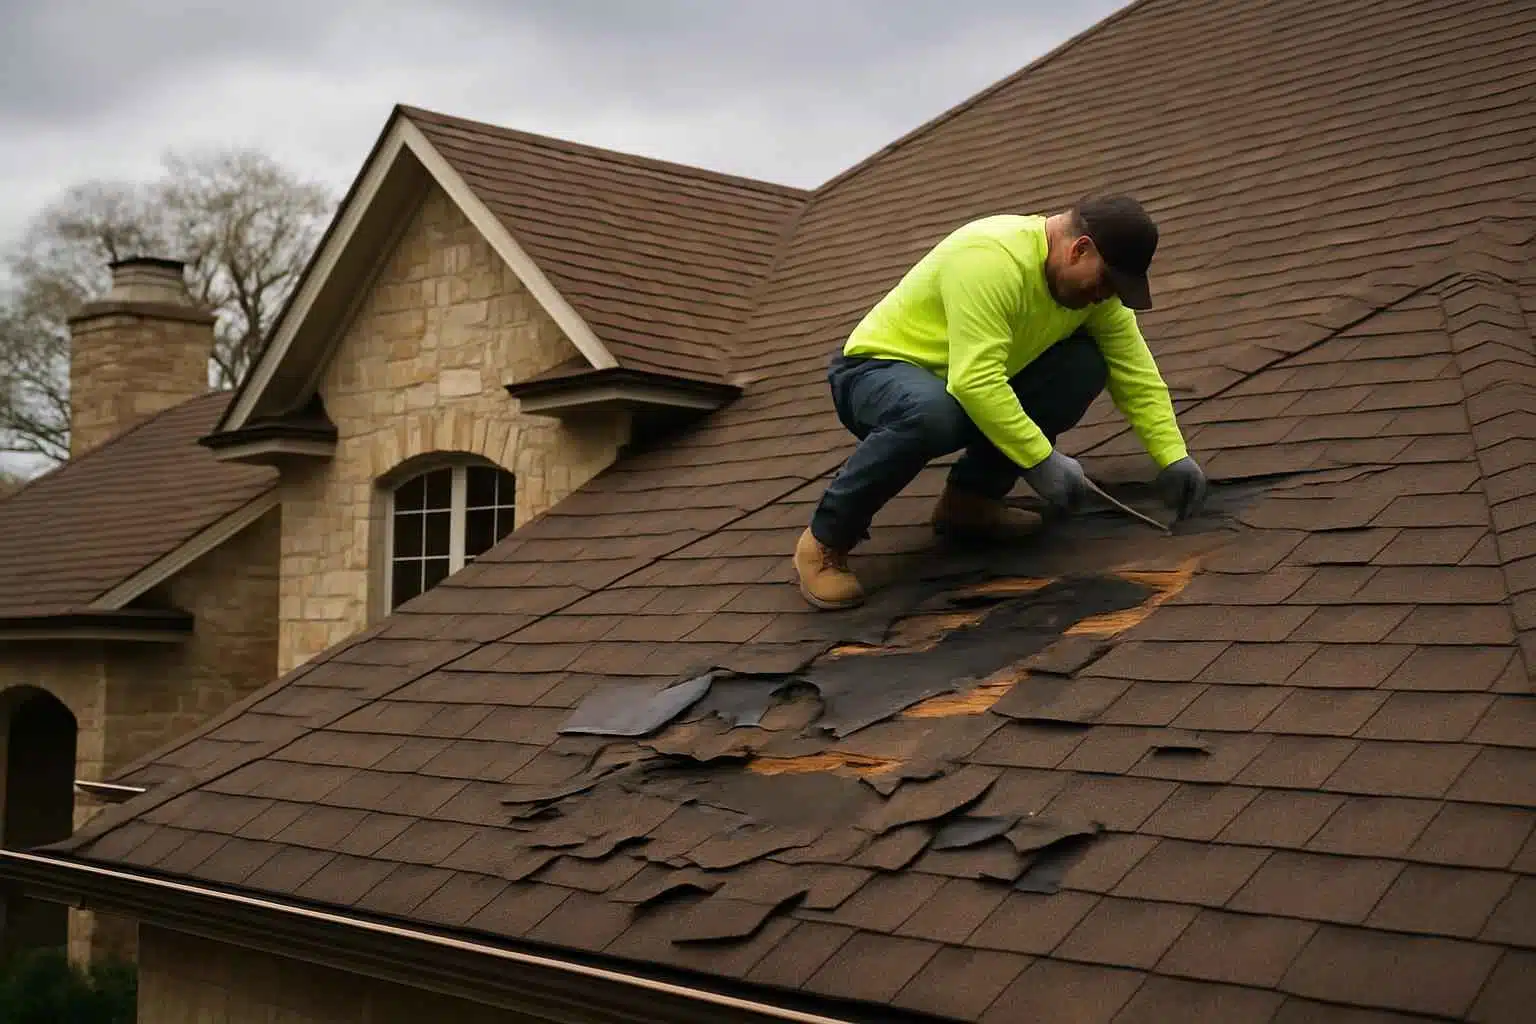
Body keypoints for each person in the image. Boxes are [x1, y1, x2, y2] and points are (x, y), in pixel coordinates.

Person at [794, 195, 1207, 610]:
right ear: (1079, 248)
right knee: (934, 413)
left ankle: (970, 503)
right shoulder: (990, 260)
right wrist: (1040, 459)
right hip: (876, 372)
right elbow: (974, 381)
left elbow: (1133, 370)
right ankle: (825, 542)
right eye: (1106, 281)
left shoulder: (1096, 297)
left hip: (963, 381)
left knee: (1083, 365)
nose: (1105, 295)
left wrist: (1172, 455)